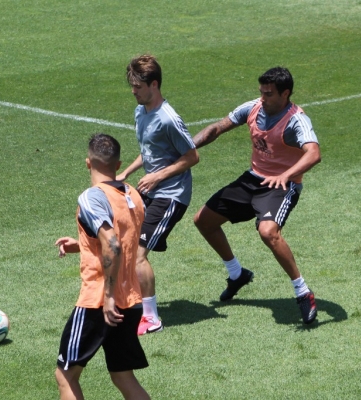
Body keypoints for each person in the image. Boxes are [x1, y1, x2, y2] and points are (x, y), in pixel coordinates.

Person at [192, 67, 321, 324]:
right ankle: (237, 274)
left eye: (269, 94)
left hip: (282, 186)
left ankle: (303, 292)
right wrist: (188, 146)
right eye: (261, 92)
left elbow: (313, 153)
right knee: (203, 220)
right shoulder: (254, 108)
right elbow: (218, 127)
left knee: (267, 232)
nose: (263, 98)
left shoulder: (297, 120)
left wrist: (286, 176)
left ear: (285, 94)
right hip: (253, 178)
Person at [54, 133, 150, 400]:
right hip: (131, 300)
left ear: (88, 163)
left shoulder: (91, 197)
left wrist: (107, 297)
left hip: (99, 302)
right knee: (123, 376)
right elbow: (124, 236)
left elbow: (114, 245)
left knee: (66, 375)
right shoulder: (133, 195)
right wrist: (82, 245)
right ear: (118, 165)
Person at [117, 54, 199, 335]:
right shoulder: (141, 111)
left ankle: (152, 319)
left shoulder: (169, 119)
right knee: (125, 243)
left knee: (138, 254)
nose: (133, 91)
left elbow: (191, 156)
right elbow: (150, 150)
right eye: (132, 85)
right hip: (150, 189)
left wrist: (157, 175)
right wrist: (126, 173)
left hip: (171, 194)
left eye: (138, 86)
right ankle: (134, 303)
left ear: (154, 84)